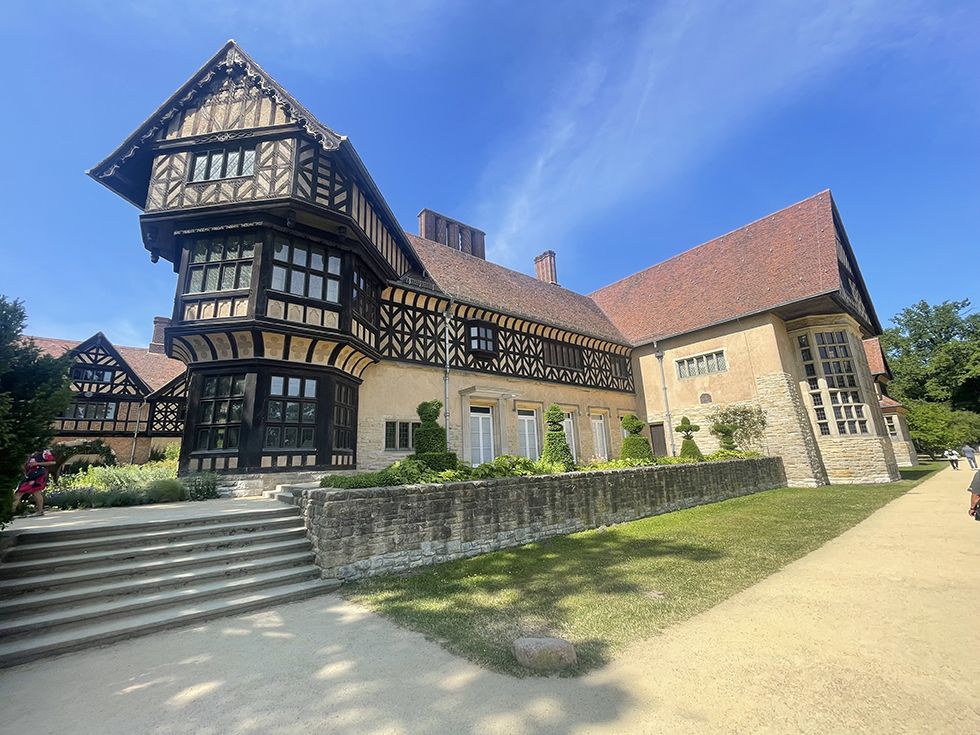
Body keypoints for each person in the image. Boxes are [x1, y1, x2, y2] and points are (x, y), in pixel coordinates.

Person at [14, 449, 54, 517]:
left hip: (38, 475)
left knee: (24, 492)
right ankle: (39, 511)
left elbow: (52, 462)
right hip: (29, 475)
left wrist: (37, 463)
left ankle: (40, 511)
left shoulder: (43, 452)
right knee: (28, 492)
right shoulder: (28, 452)